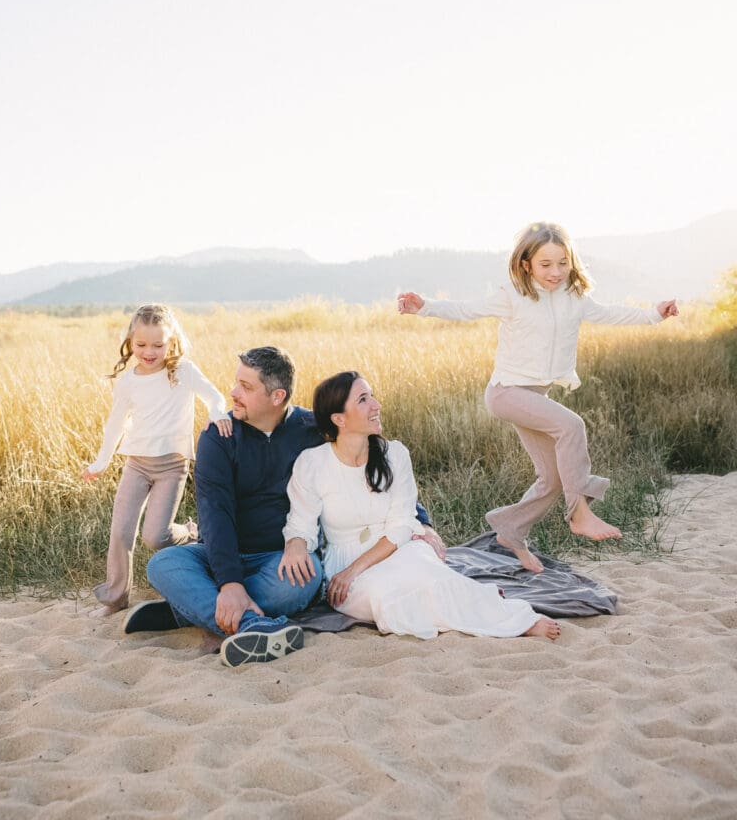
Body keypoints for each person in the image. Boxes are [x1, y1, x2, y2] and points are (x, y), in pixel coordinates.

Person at [124, 346, 444, 667]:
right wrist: (230, 582)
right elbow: (214, 514)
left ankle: (192, 608)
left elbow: (375, 464)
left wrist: (422, 521)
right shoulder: (218, 436)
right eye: (236, 382)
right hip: (220, 554)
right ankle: (249, 623)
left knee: (306, 579)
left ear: (277, 397)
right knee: (163, 563)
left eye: (246, 387)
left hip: (280, 561)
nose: (233, 393)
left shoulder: (311, 429)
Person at [397, 221, 678, 573]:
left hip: (534, 396)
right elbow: (468, 310)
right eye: (546, 265)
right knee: (571, 426)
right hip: (506, 392)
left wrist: (655, 314)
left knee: (554, 478)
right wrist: (425, 306)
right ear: (526, 264)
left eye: (563, 263)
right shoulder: (513, 295)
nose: (556, 272)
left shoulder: (575, 299)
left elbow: (613, 313)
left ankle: (511, 531)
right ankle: (580, 512)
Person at [279, 371, 560, 641]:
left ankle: (512, 619)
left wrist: (354, 569)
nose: (376, 405)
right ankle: (472, 599)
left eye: (372, 396)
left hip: (397, 547)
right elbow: (301, 523)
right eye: (363, 400)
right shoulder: (312, 463)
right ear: (339, 418)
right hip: (344, 562)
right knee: (384, 596)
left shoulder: (395, 455)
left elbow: (402, 524)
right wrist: (297, 544)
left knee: (427, 575)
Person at [83, 303, 230, 617]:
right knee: (121, 531)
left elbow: (214, 396)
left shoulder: (182, 371)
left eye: (158, 345)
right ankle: (116, 598)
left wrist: (217, 415)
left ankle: (191, 534)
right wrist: (101, 461)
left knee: (155, 536)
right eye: (141, 345)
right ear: (130, 342)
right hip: (136, 463)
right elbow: (116, 424)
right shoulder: (128, 382)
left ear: (172, 342)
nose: (149, 352)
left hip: (171, 467)